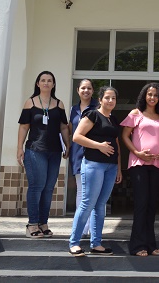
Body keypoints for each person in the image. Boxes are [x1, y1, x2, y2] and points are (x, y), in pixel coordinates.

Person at [68, 86, 122, 256]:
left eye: (113, 98)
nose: (110, 101)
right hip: (93, 164)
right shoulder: (92, 114)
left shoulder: (113, 120)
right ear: (100, 100)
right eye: (107, 98)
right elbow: (77, 136)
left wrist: (119, 167)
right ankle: (74, 243)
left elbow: (116, 144)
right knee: (87, 203)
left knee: (100, 205)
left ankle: (96, 243)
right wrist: (99, 146)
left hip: (110, 167)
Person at [16, 71, 70, 238]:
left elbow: (63, 127)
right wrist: (19, 148)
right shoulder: (30, 103)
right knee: (36, 186)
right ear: (38, 84)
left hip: (54, 151)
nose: (46, 83)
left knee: (48, 189)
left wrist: (68, 145)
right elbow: (24, 126)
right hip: (35, 150)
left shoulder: (59, 104)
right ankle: (32, 224)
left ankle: (43, 223)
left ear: (53, 84)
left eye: (49, 80)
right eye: (43, 80)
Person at [121, 83, 159, 256]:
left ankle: (151, 244)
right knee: (141, 204)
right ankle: (137, 246)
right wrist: (137, 152)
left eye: (156, 95)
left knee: (151, 205)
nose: (152, 98)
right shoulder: (136, 113)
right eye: (149, 94)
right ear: (144, 95)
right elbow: (125, 136)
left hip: (157, 165)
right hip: (138, 165)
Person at [69, 79, 97, 236]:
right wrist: (67, 147)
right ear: (78, 90)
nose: (86, 91)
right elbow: (70, 130)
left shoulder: (98, 108)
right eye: (83, 88)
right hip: (77, 154)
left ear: (93, 91)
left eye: (89, 88)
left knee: (93, 194)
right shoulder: (73, 109)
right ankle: (81, 228)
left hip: (94, 154)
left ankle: (92, 229)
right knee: (81, 192)